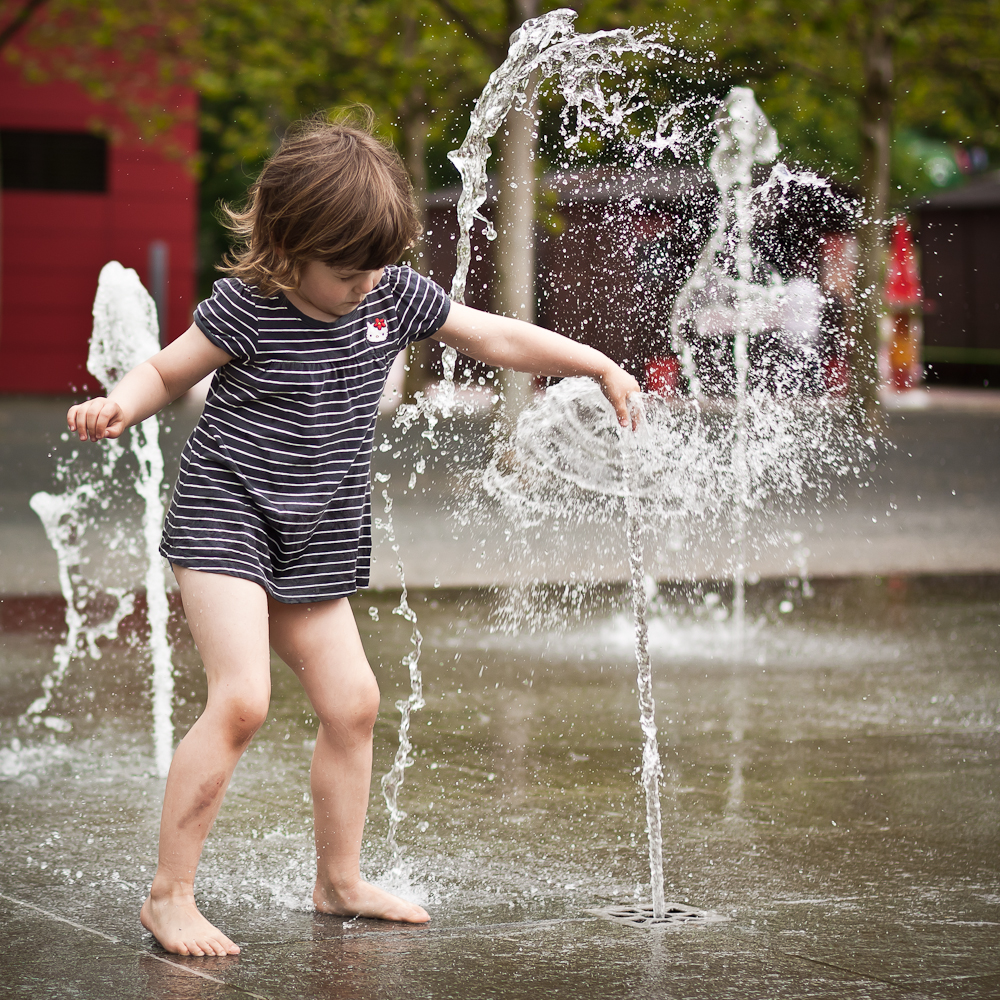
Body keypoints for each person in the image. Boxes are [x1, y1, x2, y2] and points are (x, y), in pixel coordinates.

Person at [67, 114, 640, 958]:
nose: (367, 285)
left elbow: (493, 334)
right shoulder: (249, 308)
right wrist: (122, 402)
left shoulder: (391, 293)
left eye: (376, 267)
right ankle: (170, 895)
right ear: (287, 247)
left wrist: (593, 360)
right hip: (230, 513)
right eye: (346, 271)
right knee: (243, 699)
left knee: (355, 703)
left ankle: (337, 883)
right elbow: (165, 368)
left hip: (318, 526)